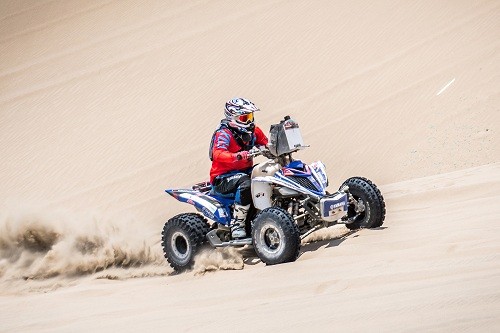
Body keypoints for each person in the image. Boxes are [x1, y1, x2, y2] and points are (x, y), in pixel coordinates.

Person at [209, 97, 268, 239]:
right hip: (222, 177)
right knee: (246, 183)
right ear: (233, 117)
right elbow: (217, 153)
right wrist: (237, 156)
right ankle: (238, 224)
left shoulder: (253, 131)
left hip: (244, 172)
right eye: (244, 117)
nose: (249, 121)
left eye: (250, 116)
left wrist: (272, 147)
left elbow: (266, 143)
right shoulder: (224, 133)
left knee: (266, 174)